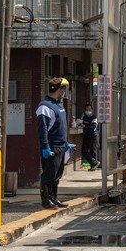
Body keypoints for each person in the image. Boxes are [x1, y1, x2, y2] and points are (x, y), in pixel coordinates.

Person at [35, 77, 73, 209]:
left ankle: (54, 198)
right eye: (63, 89)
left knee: (57, 174)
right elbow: (42, 129)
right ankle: (46, 201)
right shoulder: (44, 106)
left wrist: (66, 143)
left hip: (61, 146)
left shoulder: (58, 105)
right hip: (51, 146)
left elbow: (60, 127)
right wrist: (45, 146)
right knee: (49, 174)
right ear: (59, 90)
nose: (64, 92)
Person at [79, 104, 100, 171]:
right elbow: (81, 123)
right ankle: (95, 162)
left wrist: (84, 126)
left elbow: (93, 128)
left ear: (92, 110)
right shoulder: (84, 117)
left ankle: (93, 166)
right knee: (84, 151)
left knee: (93, 152)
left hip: (93, 137)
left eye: (89, 109)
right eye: (87, 110)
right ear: (85, 111)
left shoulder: (94, 118)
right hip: (86, 136)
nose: (88, 111)